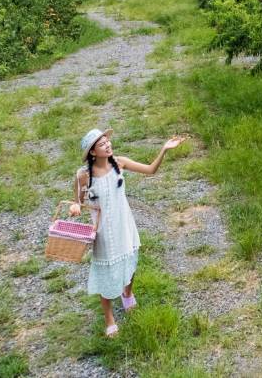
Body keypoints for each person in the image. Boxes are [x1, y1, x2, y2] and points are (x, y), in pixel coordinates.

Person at [70, 128, 185, 338]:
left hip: (124, 224)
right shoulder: (83, 175)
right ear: (93, 152)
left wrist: (164, 149)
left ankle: (127, 293)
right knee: (106, 272)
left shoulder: (119, 162)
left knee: (130, 260)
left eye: (107, 141)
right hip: (103, 231)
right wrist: (75, 207)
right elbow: (77, 201)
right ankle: (109, 319)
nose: (108, 145)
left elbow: (150, 170)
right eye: (102, 144)